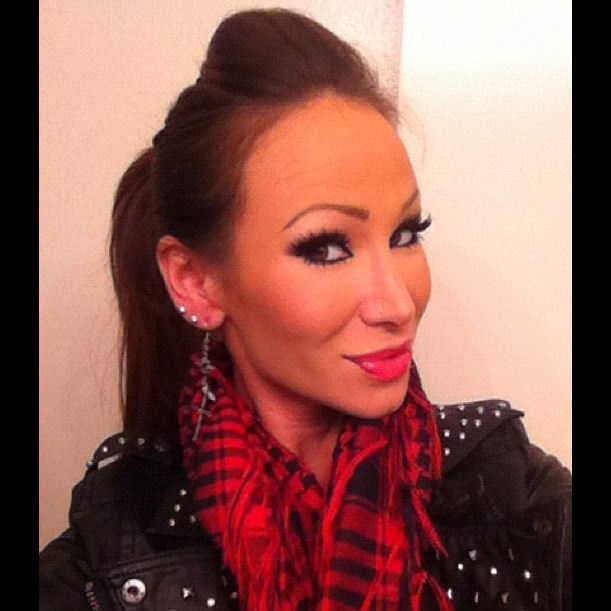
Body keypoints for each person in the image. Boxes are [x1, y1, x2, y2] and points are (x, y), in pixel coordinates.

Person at [39, 8, 571, 610]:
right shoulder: (107, 564)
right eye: (326, 248)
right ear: (196, 283)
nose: (398, 304)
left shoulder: (510, 490)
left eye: (405, 234)